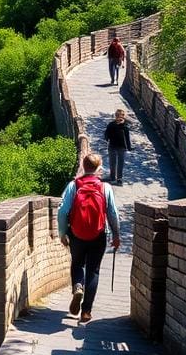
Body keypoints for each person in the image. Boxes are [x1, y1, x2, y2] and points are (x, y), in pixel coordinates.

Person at [57, 152, 121, 322]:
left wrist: (62, 233)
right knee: (93, 271)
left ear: (83, 167)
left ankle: (78, 286)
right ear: (99, 168)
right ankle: (86, 311)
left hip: (76, 234)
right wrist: (116, 235)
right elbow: (112, 213)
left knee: (77, 264)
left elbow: (62, 211)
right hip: (98, 235)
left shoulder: (74, 186)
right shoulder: (105, 187)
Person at [103, 109, 133, 185]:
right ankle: (112, 177)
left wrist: (129, 147)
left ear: (123, 117)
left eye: (121, 116)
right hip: (112, 146)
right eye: (118, 116)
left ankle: (119, 179)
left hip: (122, 147)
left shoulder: (125, 126)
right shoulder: (111, 124)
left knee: (120, 163)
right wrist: (107, 139)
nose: (119, 118)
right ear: (115, 116)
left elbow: (127, 137)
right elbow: (107, 133)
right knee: (112, 162)